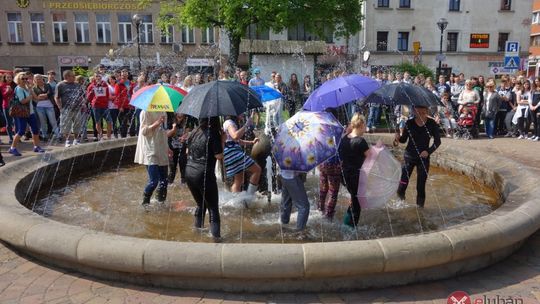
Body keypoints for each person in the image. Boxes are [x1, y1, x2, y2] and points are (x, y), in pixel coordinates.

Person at [395, 106, 441, 208]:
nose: (420, 114)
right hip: (409, 157)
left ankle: (420, 209)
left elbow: (438, 142)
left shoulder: (431, 124)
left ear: (427, 112)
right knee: (402, 184)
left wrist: (428, 151)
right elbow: (403, 140)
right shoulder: (409, 123)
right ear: (414, 111)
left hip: (423, 159)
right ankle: (400, 204)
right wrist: (398, 137)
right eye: (418, 112)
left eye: (423, 112)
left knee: (420, 186)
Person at [185, 117, 223, 239]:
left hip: (189, 172)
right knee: (213, 208)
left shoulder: (194, 132)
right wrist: (223, 140)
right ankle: (216, 239)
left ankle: (197, 231)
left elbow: (187, 151)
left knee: (201, 204)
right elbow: (219, 156)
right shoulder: (213, 133)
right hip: (203, 173)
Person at [338, 113, 370, 227]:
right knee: (357, 204)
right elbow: (370, 158)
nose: (366, 128)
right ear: (361, 125)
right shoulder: (361, 141)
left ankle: (347, 223)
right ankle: (349, 228)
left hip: (344, 175)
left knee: (353, 197)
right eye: (365, 125)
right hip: (355, 176)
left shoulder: (344, 138)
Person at [134, 110, 169, 209]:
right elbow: (143, 131)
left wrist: (168, 147)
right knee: (154, 181)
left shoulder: (164, 112)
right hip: (150, 150)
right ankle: (145, 204)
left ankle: (161, 204)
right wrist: (156, 123)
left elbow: (163, 131)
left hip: (161, 149)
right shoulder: (145, 112)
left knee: (164, 181)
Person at [222, 114, 261, 195]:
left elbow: (238, 141)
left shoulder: (230, 123)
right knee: (257, 170)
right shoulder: (229, 123)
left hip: (230, 153)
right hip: (233, 153)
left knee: (239, 180)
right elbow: (235, 136)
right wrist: (246, 125)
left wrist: (252, 142)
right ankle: (249, 197)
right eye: (241, 113)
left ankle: (236, 201)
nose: (243, 114)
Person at [8, 72, 45, 156]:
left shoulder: (27, 87)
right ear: (18, 80)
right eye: (23, 79)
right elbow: (22, 101)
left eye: (26, 78)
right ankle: (12, 148)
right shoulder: (19, 89)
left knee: (35, 130)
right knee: (21, 131)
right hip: (22, 113)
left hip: (30, 112)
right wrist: (30, 96)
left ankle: (36, 146)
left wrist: (41, 95)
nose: (25, 80)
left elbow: (36, 98)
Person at [55, 70, 86, 147]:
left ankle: (76, 140)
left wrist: (83, 103)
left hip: (77, 108)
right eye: (72, 76)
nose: (74, 77)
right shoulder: (60, 85)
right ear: (67, 77)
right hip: (66, 109)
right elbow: (56, 97)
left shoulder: (77, 85)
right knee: (66, 125)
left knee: (77, 125)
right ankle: (67, 141)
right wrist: (60, 107)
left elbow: (81, 95)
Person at [33, 74, 59, 141]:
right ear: (35, 80)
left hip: (49, 106)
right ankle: (45, 136)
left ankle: (58, 135)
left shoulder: (47, 85)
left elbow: (50, 93)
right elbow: (36, 97)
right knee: (43, 122)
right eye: (37, 78)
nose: (39, 80)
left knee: (53, 121)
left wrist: (42, 96)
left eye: (40, 78)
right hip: (39, 107)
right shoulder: (34, 88)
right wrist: (43, 96)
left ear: (42, 79)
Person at [86, 73, 111, 141]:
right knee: (98, 122)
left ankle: (109, 137)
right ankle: (101, 136)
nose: (98, 77)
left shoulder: (105, 85)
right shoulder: (91, 86)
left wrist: (105, 101)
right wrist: (92, 92)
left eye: (99, 76)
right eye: (96, 76)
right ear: (94, 77)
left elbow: (107, 95)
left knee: (109, 121)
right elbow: (88, 98)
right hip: (96, 106)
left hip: (105, 106)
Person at [167, 113, 190, 184]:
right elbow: (167, 134)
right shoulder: (170, 122)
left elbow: (187, 133)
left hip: (182, 147)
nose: (180, 116)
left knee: (183, 166)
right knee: (172, 168)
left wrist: (184, 136)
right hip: (172, 148)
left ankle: (184, 184)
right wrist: (174, 129)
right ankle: (169, 184)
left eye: (182, 115)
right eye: (178, 115)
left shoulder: (186, 121)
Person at [115, 69, 135, 138]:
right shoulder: (118, 84)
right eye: (122, 74)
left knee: (132, 123)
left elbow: (134, 94)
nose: (124, 76)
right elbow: (117, 96)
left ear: (127, 75)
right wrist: (120, 106)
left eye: (125, 74)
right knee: (123, 123)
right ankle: (123, 138)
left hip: (131, 106)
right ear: (120, 75)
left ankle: (133, 138)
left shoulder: (132, 84)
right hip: (123, 107)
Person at [1, 74, 15, 144]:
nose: (9, 78)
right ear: (5, 78)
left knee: (16, 122)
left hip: (15, 106)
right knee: (8, 123)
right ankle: (10, 138)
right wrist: (7, 91)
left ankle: (16, 137)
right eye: (8, 77)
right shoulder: (2, 85)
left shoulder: (15, 85)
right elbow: (2, 97)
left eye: (11, 77)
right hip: (6, 106)